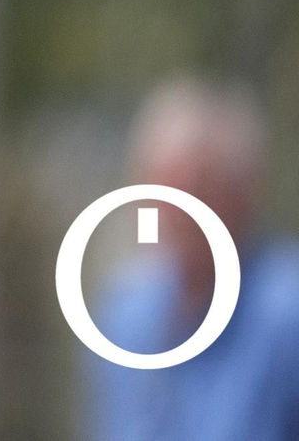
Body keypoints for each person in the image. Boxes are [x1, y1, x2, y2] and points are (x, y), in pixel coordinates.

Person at [87, 77, 299, 441]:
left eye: (200, 190)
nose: (180, 215)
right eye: (166, 188)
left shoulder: (286, 311)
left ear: (245, 194)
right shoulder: (125, 315)